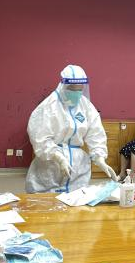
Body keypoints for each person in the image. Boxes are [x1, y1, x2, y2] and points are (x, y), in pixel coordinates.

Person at [26, 65, 117, 193]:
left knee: (76, 200)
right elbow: (40, 138)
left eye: (80, 89)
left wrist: (99, 158)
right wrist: (58, 157)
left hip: (78, 167)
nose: (77, 93)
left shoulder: (85, 106)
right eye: (73, 89)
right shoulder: (49, 106)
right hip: (50, 166)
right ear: (64, 85)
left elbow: (96, 133)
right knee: (46, 201)